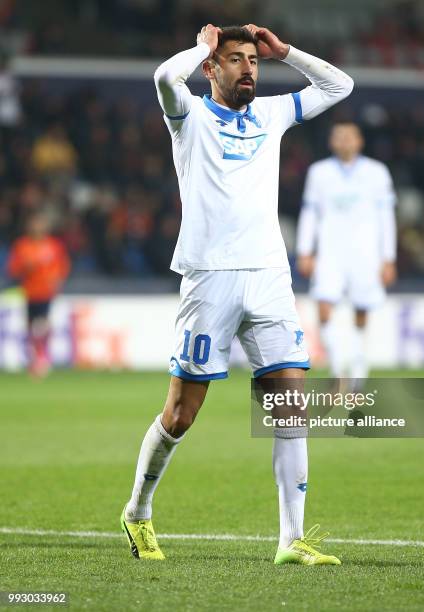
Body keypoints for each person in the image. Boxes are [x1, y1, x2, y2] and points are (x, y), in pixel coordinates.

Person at [120, 24, 354, 565]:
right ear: (211, 68)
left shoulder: (272, 113)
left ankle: (291, 540)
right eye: (236, 59)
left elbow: (339, 86)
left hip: (269, 274)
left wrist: (287, 52)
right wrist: (202, 45)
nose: (249, 67)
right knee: (181, 413)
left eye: (254, 60)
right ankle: (137, 512)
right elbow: (162, 75)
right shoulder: (188, 115)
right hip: (210, 276)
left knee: (291, 405)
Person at [296, 122, 397, 382]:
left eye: (349, 137)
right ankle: (337, 368)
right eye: (339, 137)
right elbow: (309, 213)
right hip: (330, 250)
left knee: (362, 310)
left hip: (366, 252)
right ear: (332, 142)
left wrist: (388, 258)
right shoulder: (319, 172)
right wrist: (305, 250)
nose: (344, 142)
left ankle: (359, 373)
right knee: (324, 307)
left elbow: (387, 218)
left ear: (359, 141)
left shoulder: (377, 172)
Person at [6, 212, 71, 376]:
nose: (37, 228)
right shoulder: (22, 246)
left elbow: (62, 266)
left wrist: (57, 278)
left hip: (46, 292)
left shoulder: (53, 245)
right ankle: (34, 358)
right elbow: (12, 269)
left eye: (40, 224)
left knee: (42, 325)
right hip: (29, 292)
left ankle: (42, 357)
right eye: (34, 224)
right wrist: (24, 268)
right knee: (30, 327)